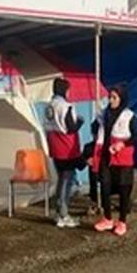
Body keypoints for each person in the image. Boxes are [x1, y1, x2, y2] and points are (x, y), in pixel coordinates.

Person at [92, 85, 137, 237]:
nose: (111, 100)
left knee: (124, 189)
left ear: (121, 99)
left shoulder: (129, 115)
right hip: (105, 156)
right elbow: (95, 129)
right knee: (105, 187)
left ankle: (122, 221)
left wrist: (122, 144)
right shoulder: (103, 114)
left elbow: (136, 137)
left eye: (114, 97)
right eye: (109, 97)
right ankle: (107, 219)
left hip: (122, 158)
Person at [43, 77, 84, 228]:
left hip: (55, 147)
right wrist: (80, 122)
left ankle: (59, 212)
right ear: (64, 90)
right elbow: (71, 128)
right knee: (66, 181)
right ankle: (63, 214)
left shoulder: (49, 106)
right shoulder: (66, 106)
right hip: (67, 148)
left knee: (62, 179)